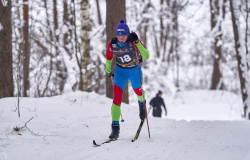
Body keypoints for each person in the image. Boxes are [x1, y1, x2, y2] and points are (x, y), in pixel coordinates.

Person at [105, 19, 150, 140]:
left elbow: (146, 56)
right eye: (119, 35)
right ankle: (115, 129)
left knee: (138, 92)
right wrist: (108, 69)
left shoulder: (133, 40)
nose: (121, 38)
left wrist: (138, 42)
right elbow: (109, 57)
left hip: (134, 70)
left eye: (124, 35)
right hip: (120, 72)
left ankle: (142, 102)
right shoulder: (112, 43)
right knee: (117, 98)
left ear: (128, 34)